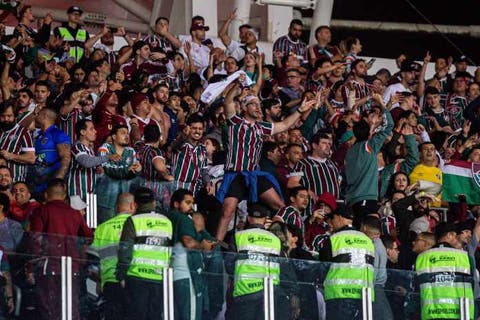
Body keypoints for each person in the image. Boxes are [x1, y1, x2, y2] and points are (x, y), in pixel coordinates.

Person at [215, 87, 316, 241]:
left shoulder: (261, 127)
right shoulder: (235, 122)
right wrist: (236, 86)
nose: (257, 108)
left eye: (258, 105)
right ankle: (217, 244)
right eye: (253, 104)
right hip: (235, 174)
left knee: (281, 206)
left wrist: (300, 111)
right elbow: (228, 101)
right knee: (227, 211)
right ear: (244, 107)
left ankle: (285, 241)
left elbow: (284, 125)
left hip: (254, 175)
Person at [28, 179, 93, 320]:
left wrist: (31, 268)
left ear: (46, 195)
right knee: (71, 307)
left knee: (49, 307)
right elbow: (88, 236)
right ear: (64, 196)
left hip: (48, 266)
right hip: (72, 267)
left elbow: (35, 241)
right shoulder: (75, 214)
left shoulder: (41, 211)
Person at [116, 187, 173, 320]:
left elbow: (125, 250)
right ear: (153, 202)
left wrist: (121, 275)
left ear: (135, 204)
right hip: (160, 279)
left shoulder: (133, 221)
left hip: (136, 277)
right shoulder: (167, 222)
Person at [318, 205, 375, 320]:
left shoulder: (334, 239)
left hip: (338, 296)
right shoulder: (368, 240)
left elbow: (323, 267)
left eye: (332, 219)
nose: (331, 223)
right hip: (365, 296)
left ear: (339, 217)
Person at [168, 189, 216, 320]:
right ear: (176, 204)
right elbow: (188, 242)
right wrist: (204, 246)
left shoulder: (168, 217)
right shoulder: (184, 220)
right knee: (191, 315)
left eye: (192, 203)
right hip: (187, 274)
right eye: (187, 202)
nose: (191, 206)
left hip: (170, 274)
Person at [230, 202, 282, 320]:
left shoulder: (239, 236)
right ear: (265, 220)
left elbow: (229, 264)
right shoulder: (275, 239)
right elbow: (281, 266)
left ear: (248, 218)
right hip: (270, 293)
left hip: (245, 292)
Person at [414, 222, 474, 319]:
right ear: (449, 235)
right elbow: (473, 286)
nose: (456, 239)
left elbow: (416, 289)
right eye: (455, 236)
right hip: (461, 314)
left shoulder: (422, 257)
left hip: (431, 314)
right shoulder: (465, 257)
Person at [91, 192, 135, 320]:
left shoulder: (102, 228)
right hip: (133, 279)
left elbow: (92, 259)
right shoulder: (137, 225)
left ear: (117, 207)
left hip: (110, 281)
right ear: (133, 205)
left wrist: (99, 281)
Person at [97, 125, 142, 222]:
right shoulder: (105, 148)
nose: (127, 136)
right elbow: (108, 169)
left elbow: (133, 171)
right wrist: (127, 169)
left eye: (127, 133)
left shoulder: (131, 151)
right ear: (113, 136)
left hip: (124, 202)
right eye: (123, 133)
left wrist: (137, 170)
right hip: (106, 201)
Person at [68, 119, 119, 201]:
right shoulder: (77, 147)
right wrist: (107, 157)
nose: (95, 131)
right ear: (82, 132)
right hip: (77, 194)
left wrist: (98, 168)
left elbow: (92, 164)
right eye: (91, 129)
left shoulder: (90, 150)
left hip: (90, 193)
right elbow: (86, 162)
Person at [31, 107, 71, 199]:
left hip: (52, 187)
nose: (36, 116)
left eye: (38, 114)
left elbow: (66, 157)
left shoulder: (58, 133)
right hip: (37, 185)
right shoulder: (38, 136)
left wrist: (58, 180)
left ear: (44, 115)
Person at [360, 216, 394, 320]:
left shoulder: (373, 245)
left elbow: (372, 271)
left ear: (364, 227)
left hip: (373, 288)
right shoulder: (378, 243)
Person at [171, 113, 208, 195]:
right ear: (188, 128)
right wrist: (184, 134)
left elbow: (204, 171)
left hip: (195, 191)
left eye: (200, 129)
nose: (197, 131)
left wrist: (208, 184)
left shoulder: (202, 149)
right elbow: (175, 146)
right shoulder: (181, 144)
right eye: (194, 128)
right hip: (178, 189)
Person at [0, 100, 35, 182]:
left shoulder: (23, 132)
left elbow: (31, 158)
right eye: (2, 116)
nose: (6, 119)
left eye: (9, 116)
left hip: (15, 182)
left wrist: (11, 156)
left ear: (15, 116)